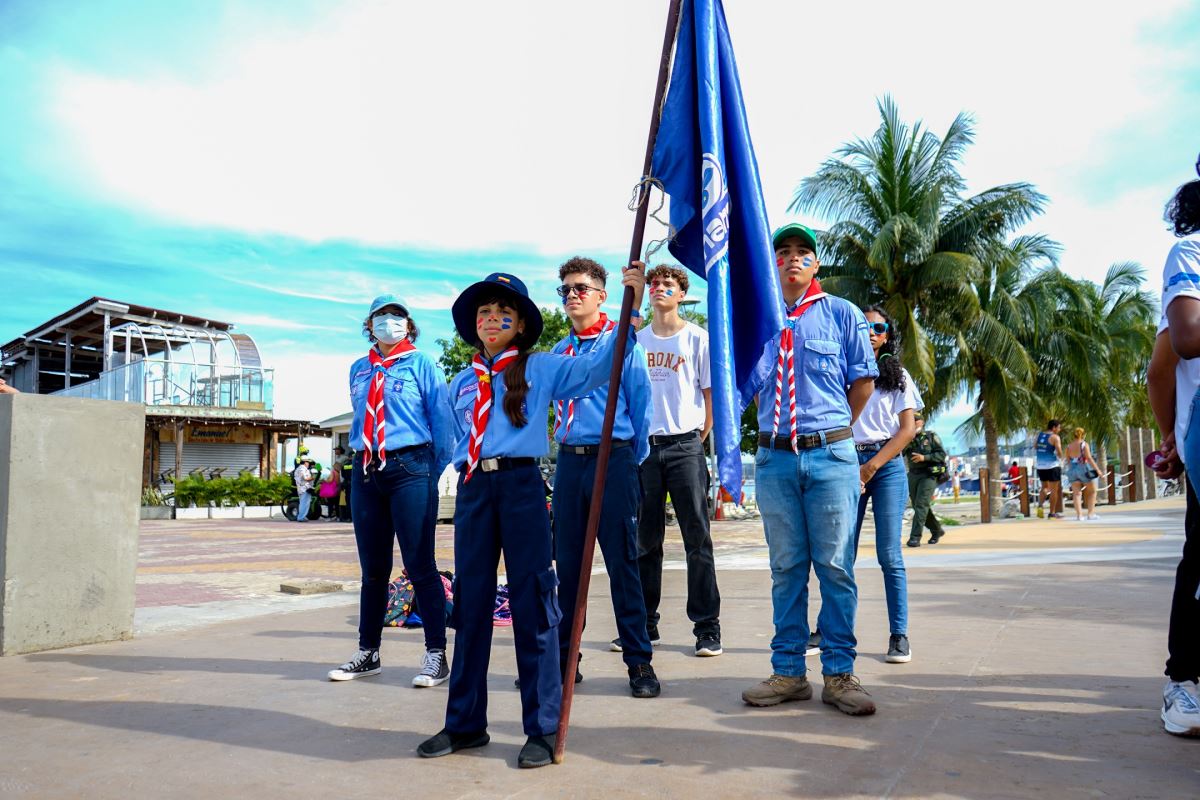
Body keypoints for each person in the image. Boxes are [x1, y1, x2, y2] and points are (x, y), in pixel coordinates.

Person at [417, 266, 645, 768]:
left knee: (534, 604)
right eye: (484, 312)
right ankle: (464, 724)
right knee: (471, 605)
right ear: (473, 324)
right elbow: (456, 437)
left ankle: (540, 728)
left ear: (520, 323)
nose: (493, 319)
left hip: (521, 487)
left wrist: (628, 315)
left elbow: (595, 372)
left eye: (504, 312)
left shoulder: (540, 368)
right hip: (475, 489)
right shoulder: (461, 381)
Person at [739, 223, 879, 716]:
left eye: (803, 252)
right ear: (771, 262)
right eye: (783, 252)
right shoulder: (756, 317)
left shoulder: (841, 314)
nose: (792, 259)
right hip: (774, 459)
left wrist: (832, 430)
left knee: (836, 568)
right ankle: (789, 673)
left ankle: (840, 674)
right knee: (786, 569)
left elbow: (862, 382)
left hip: (830, 456)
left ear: (816, 264)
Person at [327, 295, 455, 689]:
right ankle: (368, 652)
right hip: (366, 470)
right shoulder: (359, 369)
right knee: (373, 570)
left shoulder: (421, 364)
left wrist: (427, 473)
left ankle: (436, 653)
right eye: (382, 315)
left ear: (408, 323)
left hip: (410, 467)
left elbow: (443, 423)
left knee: (420, 565)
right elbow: (360, 416)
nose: (389, 321)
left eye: (397, 315)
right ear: (369, 324)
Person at [550, 257, 660, 698]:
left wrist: (626, 463)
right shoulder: (559, 352)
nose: (572, 296)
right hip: (570, 462)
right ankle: (564, 660)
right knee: (568, 570)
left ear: (601, 295)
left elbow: (641, 404)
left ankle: (639, 663)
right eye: (566, 290)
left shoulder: (623, 344)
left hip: (612, 459)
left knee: (622, 565)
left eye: (581, 288)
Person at [634, 264, 722, 657]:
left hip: (685, 445)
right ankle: (644, 624)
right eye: (654, 284)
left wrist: (696, 438)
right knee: (644, 541)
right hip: (644, 449)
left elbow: (710, 396)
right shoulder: (637, 341)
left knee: (697, 539)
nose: (659, 289)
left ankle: (706, 627)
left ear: (682, 293)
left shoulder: (698, 339)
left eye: (668, 284)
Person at [1146, 158, 1200, 736]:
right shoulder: (1190, 256)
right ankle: (1182, 680)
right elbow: (1177, 348)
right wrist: (1175, 435)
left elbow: (1158, 370)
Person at [847, 306, 920, 664]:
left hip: (886, 465)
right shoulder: (842, 369)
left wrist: (872, 466)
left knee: (888, 555)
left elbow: (907, 430)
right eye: (865, 326)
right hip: (847, 464)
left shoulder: (897, 376)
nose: (871, 331)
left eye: (879, 327)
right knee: (840, 556)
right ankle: (831, 630)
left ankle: (899, 635)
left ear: (887, 335)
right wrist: (855, 467)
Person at [904, 413, 948, 547]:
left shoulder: (930, 436)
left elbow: (941, 454)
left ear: (922, 422)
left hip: (928, 475)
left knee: (921, 504)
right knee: (919, 505)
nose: (914, 422)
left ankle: (915, 537)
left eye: (916, 421)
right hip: (912, 475)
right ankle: (936, 530)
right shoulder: (907, 437)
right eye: (912, 420)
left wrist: (925, 458)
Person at [1064, 427, 1102, 521]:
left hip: (1072, 469)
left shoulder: (1069, 446)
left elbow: (1068, 460)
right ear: (1083, 434)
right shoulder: (1084, 444)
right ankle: (1090, 514)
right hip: (1083, 469)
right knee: (1092, 491)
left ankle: (1079, 515)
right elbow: (1089, 458)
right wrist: (1097, 470)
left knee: (1076, 494)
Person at [1035, 420, 1065, 519]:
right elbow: (1059, 451)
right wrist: (1062, 458)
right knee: (1053, 490)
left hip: (1040, 465)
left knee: (1044, 487)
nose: (1059, 430)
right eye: (1059, 428)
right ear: (1054, 428)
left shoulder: (1039, 435)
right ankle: (1052, 513)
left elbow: (1035, 446)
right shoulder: (1055, 437)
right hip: (1052, 466)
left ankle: (1040, 506)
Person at [292, 455, 314, 522]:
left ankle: (303, 516)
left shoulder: (299, 468)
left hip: (304, 488)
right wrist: (313, 477)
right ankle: (301, 517)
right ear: (305, 462)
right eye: (308, 462)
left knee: (305, 503)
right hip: (304, 489)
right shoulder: (302, 469)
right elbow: (306, 478)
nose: (308, 464)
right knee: (304, 503)